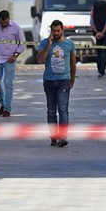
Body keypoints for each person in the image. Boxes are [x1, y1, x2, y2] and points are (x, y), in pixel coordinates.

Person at [36, 19, 76, 147]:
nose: (56, 33)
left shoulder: (69, 44)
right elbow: (39, 60)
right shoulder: (44, 43)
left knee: (63, 109)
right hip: (49, 81)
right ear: (51, 31)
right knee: (51, 110)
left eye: (58, 30)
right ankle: (53, 137)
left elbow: (73, 63)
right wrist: (48, 45)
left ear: (62, 30)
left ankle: (63, 137)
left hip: (64, 81)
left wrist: (72, 79)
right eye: (54, 31)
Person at [0, 10, 25, 117]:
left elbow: (22, 44)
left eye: (5, 23)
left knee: (8, 84)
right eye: (1, 23)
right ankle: (3, 104)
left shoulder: (16, 27)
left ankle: (7, 109)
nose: (3, 25)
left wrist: (15, 55)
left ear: (9, 19)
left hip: (10, 60)